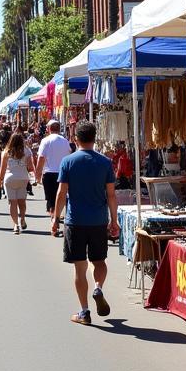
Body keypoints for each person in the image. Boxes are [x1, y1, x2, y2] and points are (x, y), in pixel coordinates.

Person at [51, 121, 119, 326]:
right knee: (99, 261)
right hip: (98, 220)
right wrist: (114, 220)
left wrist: (55, 218)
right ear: (94, 138)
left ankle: (84, 311)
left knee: (79, 268)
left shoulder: (68, 162)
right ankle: (98, 287)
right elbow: (111, 194)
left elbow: (62, 193)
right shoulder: (105, 162)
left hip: (75, 221)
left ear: (76, 139)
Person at [35, 119, 74, 223]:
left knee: (51, 199)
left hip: (49, 173)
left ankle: (53, 218)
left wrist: (37, 175)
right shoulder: (65, 141)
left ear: (48, 129)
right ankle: (58, 216)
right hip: (63, 173)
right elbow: (69, 156)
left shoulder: (46, 141)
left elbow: (41, 158)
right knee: (62, 196)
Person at [0, 132, 31, 234]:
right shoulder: (27, 151)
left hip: (9, 179)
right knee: (22, 202)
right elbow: (30, 166)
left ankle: (15, 225)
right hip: (23, 179)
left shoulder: (6, 152)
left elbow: (2, 170)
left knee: (12, 203)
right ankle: (23, 219)